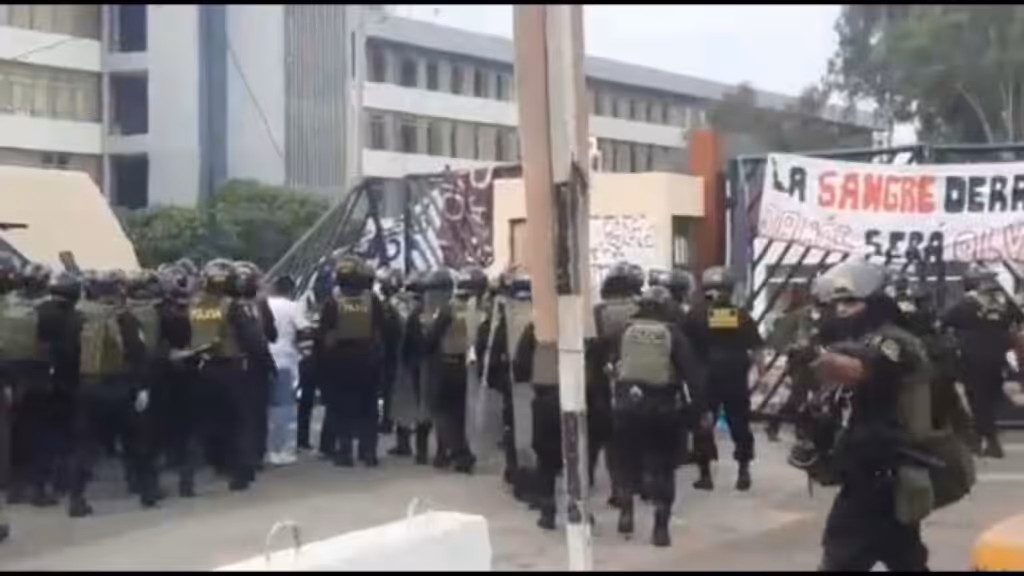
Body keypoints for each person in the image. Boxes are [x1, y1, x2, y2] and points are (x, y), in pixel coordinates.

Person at [806, 259, 936, 571]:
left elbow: (864, 370)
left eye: (851, 301)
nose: (841, 310)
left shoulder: (892, 340)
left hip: (882, 466)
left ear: (876, 302)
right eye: (837, 303)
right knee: (904, 555)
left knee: (841, 552)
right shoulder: (860, 339)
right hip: (873, 464)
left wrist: (820, 358)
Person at [610, 286, 707, 548]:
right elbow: (693, 377)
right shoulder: (674, 334)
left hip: (626, 409)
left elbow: (609, 365)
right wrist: (696, 412)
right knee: (663, 468)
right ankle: (660, 528)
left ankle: (626, 512)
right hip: (663, 410)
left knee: (626, 463)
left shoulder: (623, 331)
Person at [685, 265, 764, 492]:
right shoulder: (739, 314)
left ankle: (705, 476)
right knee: (739, 421)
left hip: (706, 378)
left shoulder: (694, 314)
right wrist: (762, 373)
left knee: (703, 423)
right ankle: (743, 471)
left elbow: (684, 349)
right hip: (735, 376)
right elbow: (756, 347)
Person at [941, 264, 1024, 458]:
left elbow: (944, 322)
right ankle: (983, 437)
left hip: (972, 360)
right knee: (988, 398)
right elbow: (1018, 318)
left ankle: (988, 439)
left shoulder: (963, 306)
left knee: (978, 400)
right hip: (997, 359)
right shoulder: (1000, 303)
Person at [316, 255, 386, 467]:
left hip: (340, 361)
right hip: (367, 360)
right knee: (368, 409)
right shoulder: (372, 300)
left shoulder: (332, 302)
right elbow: (381, 331)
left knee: (342, 409)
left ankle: (344, 452)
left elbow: (323, 335)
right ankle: (369, 452)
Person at [265, 275, 310, 466]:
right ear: (291, 290)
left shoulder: (262, 303)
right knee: (282, 408)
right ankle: (279, 450)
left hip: (262, 359)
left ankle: (264, 449)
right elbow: (305, 329)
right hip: (284, 360)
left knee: (263, 407)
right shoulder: (293, 307)